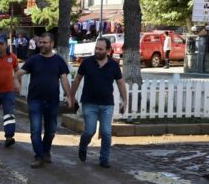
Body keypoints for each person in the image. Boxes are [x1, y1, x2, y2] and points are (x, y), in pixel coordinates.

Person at [15, 32, 74, 168]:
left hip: (52, 101)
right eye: (40, 42)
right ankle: (39, 156)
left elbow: (64, 79)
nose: (41, 45)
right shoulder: (33, 60)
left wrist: (70, 96)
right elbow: (18, 73)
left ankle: (46, 151)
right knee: (35, 130)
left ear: (52, 44)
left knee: (51, 130)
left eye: (45, 42)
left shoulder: (58, 60)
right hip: (35, 101)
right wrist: (16, 82)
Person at [70, 37, 128, 168]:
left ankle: (104, 159)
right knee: (89, 131)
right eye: (96, 48)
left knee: (106, 132)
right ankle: (83, 145)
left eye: (100, 49)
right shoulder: (87, 62)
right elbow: (77, 80)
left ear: (108, 50)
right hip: (89, 103)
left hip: (107, 104)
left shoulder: (113, 65)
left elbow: (120, 82)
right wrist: (71, 97)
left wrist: (124, 100)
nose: (97, 51)